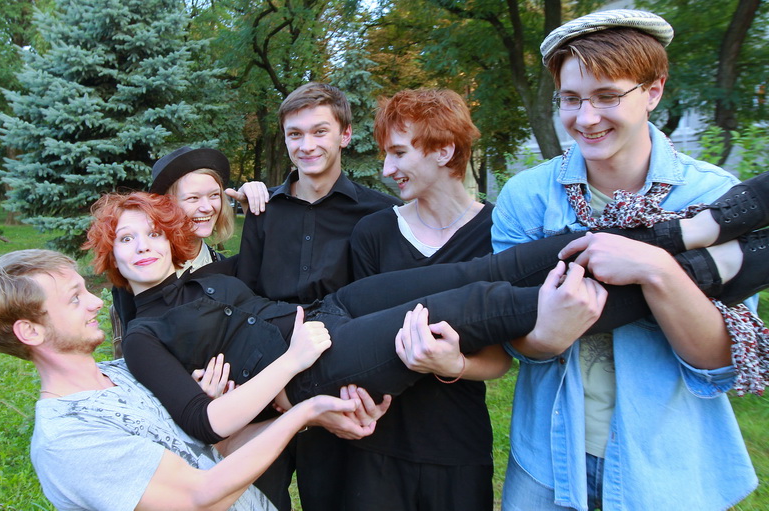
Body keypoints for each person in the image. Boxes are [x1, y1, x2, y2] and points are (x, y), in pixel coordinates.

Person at [85, 186, 768, 457]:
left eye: (152, 232)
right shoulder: (142, 336)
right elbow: (207, 423)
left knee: (485, 268)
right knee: (476, 307)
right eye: (126, 240)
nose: (142, 246)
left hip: (329, 315)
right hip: (315, 364)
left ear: (172, 238)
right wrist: (292, 362)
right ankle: (711, 271)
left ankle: (693, 232)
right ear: (110, 257)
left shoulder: (209, 275)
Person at [491, 9, 762, 510]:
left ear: (653, 91)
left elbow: (719, 362)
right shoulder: (526, 197)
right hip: (547, 460)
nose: (586, 118)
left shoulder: (713, 196)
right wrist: (548, 335)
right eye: (571, 99)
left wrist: (656, 268)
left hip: (666, 466)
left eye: (607, 96)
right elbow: (510, 335)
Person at [0, 249, 374, 511]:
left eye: (86, 291)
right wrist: (304, 409)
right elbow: (200, 497)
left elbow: (216, 451)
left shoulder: (124, 374)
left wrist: (308, 417)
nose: (95, 302)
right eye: (75, 298)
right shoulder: (68, 439)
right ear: (30, 332)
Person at [229, 82, 402, 510]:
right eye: (295, 134)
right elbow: (245, 298)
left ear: (345, 134)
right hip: (265, 379)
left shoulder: (379, 214)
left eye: (319, 131)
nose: (306, 145)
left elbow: (379, 306)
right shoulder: (263, 210)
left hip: (338, 382)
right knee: (256, 500)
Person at [345, 88, 500, 510]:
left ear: (443, 150)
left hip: (457, 447)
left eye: (398, 153)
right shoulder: (373, 233)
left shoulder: (497, 233)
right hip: (376, 445)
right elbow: (357, 338)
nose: (386, 169)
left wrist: (456, 365)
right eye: (386, 154)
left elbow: (503, 355)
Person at [111, 146, 237, 357]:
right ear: (166, 207)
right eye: (193, 198)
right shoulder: (140, 273)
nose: (207, 207)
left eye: (214, 195)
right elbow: (139, 348)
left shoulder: (225, 268)